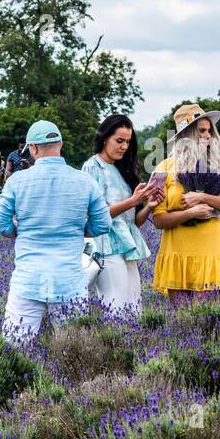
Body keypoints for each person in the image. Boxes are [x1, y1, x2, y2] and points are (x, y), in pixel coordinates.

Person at [0, 120, 112, 339]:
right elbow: (103, 223)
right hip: (70, 280)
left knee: (17, 346)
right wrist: (79, 230)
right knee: (74, 350)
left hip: (28, 279)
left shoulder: (17, 181)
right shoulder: (84, 181)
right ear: (61, 144)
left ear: (33, 148)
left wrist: (18, 231)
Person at [150, 104, 220, 303]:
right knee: (181, 321)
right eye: (201, 131)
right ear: (187, 135)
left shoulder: (218, 166)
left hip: (211, 252)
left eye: (209, 131)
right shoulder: (163, 168)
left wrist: (202, 198)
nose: (207, 135)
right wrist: (191, 213)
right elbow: (158, 219)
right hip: (177, 254)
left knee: (204, 320)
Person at [82, 114, 164, 318]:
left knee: (134, 308)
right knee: (116, 309)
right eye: (119, 141)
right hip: (106, 247)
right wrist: (133, 201)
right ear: (104, 138)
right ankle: (113, 348)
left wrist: (149, 205)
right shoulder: (93, 167)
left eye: (127, 142)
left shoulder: (121, 170)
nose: (124, 147)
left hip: (127, 245)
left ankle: (131, 348)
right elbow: (94, 215)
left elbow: (132, 222)